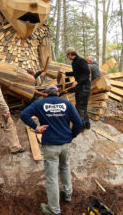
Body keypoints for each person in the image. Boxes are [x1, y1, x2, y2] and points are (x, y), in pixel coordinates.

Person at [20, 85, 83, 215]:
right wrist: (72, 135)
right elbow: (79, 123)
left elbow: (24, 114)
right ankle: (68, 193)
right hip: (65, 143)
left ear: (46, 94)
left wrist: (35, 127)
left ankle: (54, 209)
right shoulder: (66, 103)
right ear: (58, 93)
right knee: (65, 166)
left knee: (52, 177)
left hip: (50, 145)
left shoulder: (40, 103)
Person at [63, 48, 91, 130]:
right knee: (80, 106)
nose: (67, 57)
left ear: (71, 53)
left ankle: (81, 126)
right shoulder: (74, 62)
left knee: (80, 106)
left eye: (67, 55)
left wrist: (77, 81)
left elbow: (87, 74)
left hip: (84, 86)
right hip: (79, 87)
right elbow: (76, 73)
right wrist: (65, 73)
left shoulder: (81, 60)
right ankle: (86, 124)